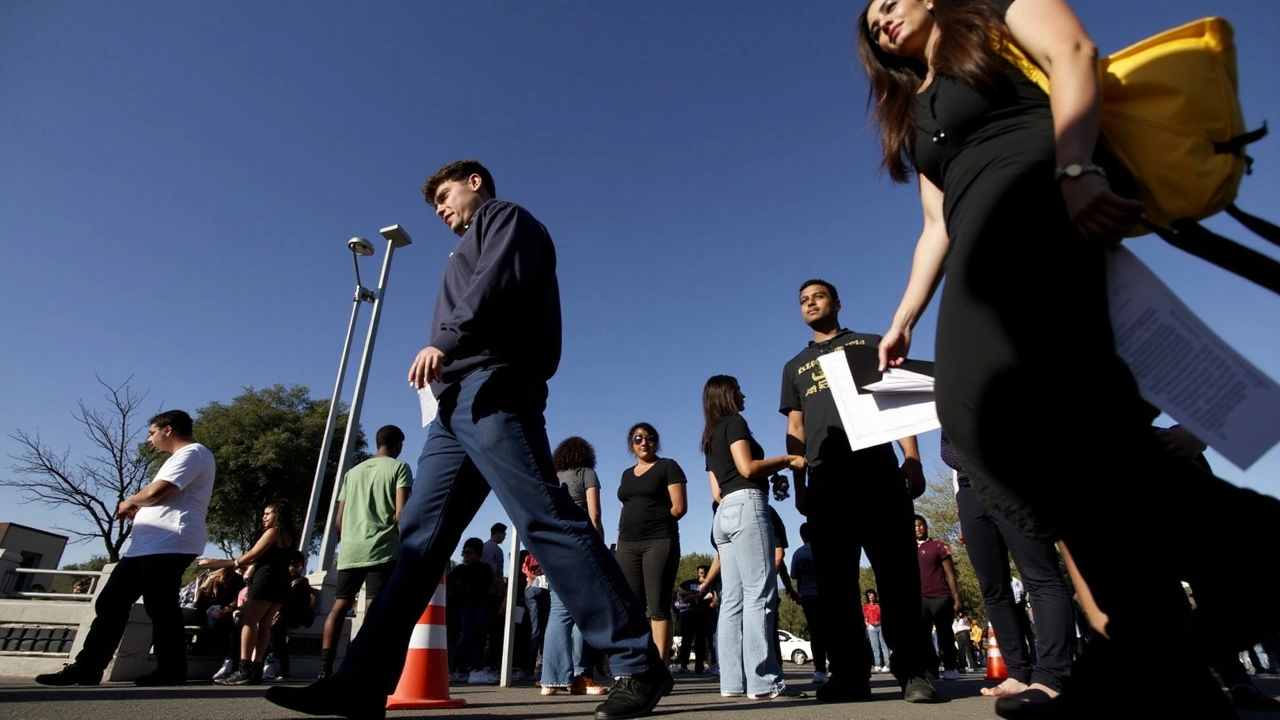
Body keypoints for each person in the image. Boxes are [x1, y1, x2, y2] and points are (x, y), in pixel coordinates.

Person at [856, 0, 1280, 715]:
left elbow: (1076, 55)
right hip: (977, 251)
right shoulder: (913, 104)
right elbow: (935, 225)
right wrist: (903, 317)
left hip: (1041, 204)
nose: (880, 20)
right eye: (869, 22)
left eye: (887, 2)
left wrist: (1077, 169)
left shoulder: (993, 16)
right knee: (1040, 427)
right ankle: (1164, 653)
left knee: (1012, 410)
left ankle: (1234, 572)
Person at [266, 159, 671, 720]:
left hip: (494, 385)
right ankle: (359, 684)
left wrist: (448, 340)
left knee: (544, 519)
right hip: (453, 406)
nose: (439, 209)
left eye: (445, 195)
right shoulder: (461, 248)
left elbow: (496, 282)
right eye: (433, 203)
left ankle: (637, 662)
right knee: (415, 544)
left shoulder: (505, 218)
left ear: (475, 182)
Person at [780, 279, 939, 704]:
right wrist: (800, 484)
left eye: (818, 296)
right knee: (834, 585)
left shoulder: (869, 344)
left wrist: (913, 458)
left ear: (836, 302)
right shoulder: (794, 366)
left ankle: (914, 671)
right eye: (803, 300)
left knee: (898, 575)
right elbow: (795, 429)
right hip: (826, 482)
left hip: (878, 474)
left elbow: (897, 397)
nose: (810, 303)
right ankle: (849, 674)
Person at [35, 410, 215, 688]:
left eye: (152, 432)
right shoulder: (179, 458)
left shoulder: (193, 453)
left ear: (168, 430)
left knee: (160, 607)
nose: (149, 438)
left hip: (170, 543)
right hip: (147, 546)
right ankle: (88, 667)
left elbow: (157, 492)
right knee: (111, 603)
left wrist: (130, 502)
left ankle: (171, 669)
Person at [942, 430, 1073, 701]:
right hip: (969, 490)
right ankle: (1018, 672)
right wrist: (960, 498)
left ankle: (1052, 674)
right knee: (992, 588)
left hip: (1014, 475)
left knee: (1041, 577)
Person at [701, 374, 806, 699]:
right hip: (747, 505)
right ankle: (764, 682)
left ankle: (732, 682)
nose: (743, 394)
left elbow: (716, 492)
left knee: (731, 601)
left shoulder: (709, 437)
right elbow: (747, 468)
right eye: (738, 390)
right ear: (727, 395)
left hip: (724, 514)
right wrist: (788, 460)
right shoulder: (734, 423)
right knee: (760, 594)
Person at [319, 424, 413, 679]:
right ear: (397, 445)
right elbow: (400, 514)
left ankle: (325, 669)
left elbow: (339, 517)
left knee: (340, 605)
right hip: (381, 547)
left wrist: (345, 541)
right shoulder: (399, 468)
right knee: (375, 607)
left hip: (350, 548)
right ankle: (363, 664)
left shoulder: (353, 472)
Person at [199, 501, 298, 685]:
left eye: (267, 513)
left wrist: (226, 563)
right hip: (281, 582)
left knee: (248, 621)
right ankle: (256, 669)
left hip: (266, 579)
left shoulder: (273, 532)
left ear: (277, 515)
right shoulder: (290, 536)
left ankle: (244, 669)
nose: (264, 517)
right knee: (265, 625)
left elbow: (253, 553)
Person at [539, 436, 609, 696]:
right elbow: (595, 514)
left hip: (553, 545)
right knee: (584, 612)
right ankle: (581, 675)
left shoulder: (553, 476)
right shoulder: (587, 474)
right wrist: (599, 545)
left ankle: (551, 679)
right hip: (581, 544)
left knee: (558, 611)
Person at [615, 422, 687, 668]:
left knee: (657, 605)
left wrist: (654, 520)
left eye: (649, 437)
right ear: (631, 444)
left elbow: (679, 507)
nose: (644, 442)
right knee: (632, 607)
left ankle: (660, 667)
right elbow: (625, 508)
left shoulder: (668, 466)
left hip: (658, 541)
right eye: (638, 438)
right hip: (627, 545)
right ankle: (636, 665)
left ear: (656, 441)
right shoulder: (626, 474)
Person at [914, 515, 964, 680]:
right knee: (923, 635)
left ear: (926, 527)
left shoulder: (939, 546)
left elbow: (950, 574)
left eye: (921, 525)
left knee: (944, 633)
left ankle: (950, 667)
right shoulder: (906, 548)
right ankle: (931, 668)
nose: (918, 528)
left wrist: (956, 599)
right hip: (920, 598)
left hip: (941, 596)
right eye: (914, 526)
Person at [447, 538, 495, 682]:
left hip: (481, 605)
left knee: (479, 636)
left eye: (469, 553)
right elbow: (450, 585)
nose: (465, 556)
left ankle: (474, 667)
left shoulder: (485, 569)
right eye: (464, 553)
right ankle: (455, 666)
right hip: (465, 606)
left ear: (478, 554)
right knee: (467, 634)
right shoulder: (459, 570)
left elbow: (490, 588)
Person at [267, 550, 316, 681]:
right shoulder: (282, 579)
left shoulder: (302, 583)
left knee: (277, 629)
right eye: (290, 565)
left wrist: (281, 612)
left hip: (296, 615)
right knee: (271, 627)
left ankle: (282, 668)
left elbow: (298, 603)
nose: (291, 568)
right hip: (281, 614)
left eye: (295, 565)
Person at [791, 524, 827, 683]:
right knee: (830, 630)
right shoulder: (824, 550)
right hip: (824, 594)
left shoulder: (799, 554)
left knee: (815, 632)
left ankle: (820, 669)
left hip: (808, 594)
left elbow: (795, 575)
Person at [673, 566, 715, 675]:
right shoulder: (687, 583)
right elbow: (683, 597)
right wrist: (700, 596)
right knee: (686, 639)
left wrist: (693, 596)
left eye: (705, 571)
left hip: (703, 614)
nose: (702, 573)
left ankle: (699, 665)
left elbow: (712, 599)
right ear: (697, 572)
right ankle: (683, 664)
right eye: (700, 571)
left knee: (701, 639)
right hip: (688, 613)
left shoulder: (712, 584)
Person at [862, 589, 891, 674]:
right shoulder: (865, 606)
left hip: (880, 625)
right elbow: (865, 617)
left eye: (871, 594)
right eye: (868, 595)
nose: (870, 596)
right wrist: (867, 624)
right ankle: (878, 664)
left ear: (874, 595)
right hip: (871, 627)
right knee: (875, 647)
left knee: (884, 645)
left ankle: (887, 664)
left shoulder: (879, 605)